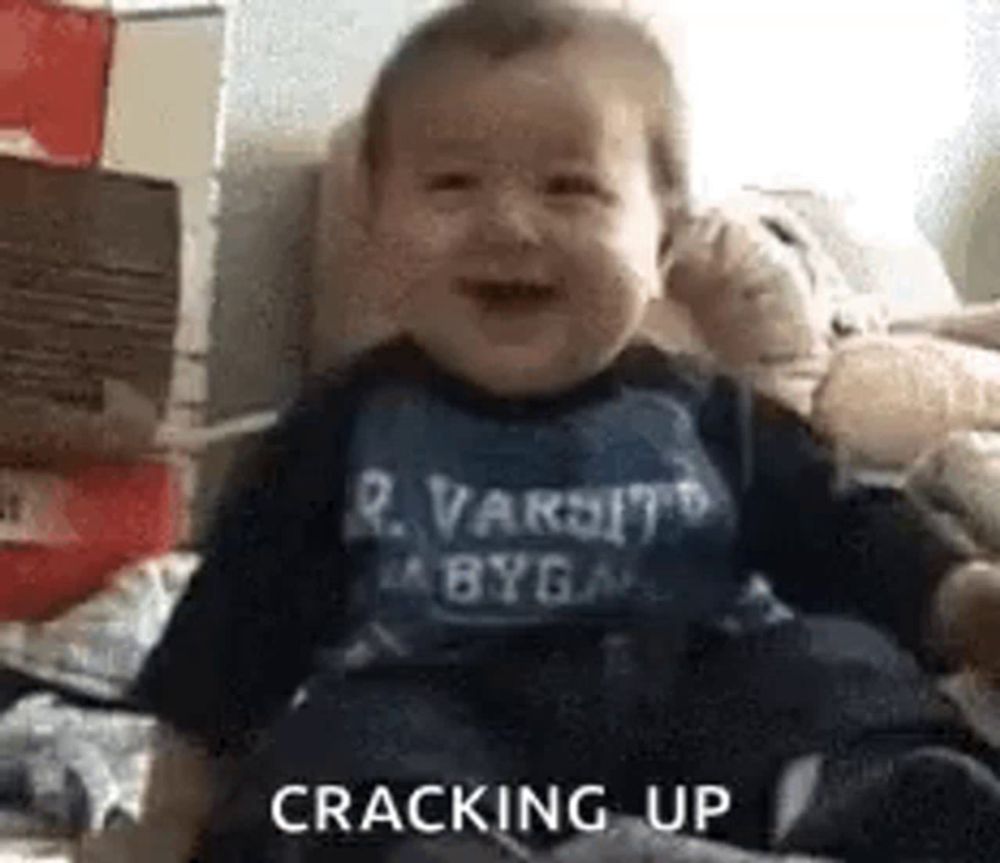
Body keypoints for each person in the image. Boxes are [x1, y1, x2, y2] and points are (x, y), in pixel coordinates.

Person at [112, 2, 1000, 861]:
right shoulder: (345, 427)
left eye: (571, 186)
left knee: (836, 666)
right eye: (453, 184)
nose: (508, 222)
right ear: (379, 235)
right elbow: (236, 620)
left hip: (699, 722)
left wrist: (960, 596)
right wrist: (169, 817)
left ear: (664, 243)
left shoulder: (707, 415)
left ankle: (879, 817)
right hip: (446, 724)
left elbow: (847, 526)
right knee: (334, 743)